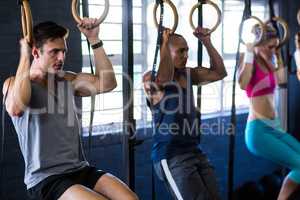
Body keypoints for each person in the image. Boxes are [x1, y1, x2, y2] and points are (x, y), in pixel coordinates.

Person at [2, 19, 138, 200]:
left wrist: (94, 40)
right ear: (36, 52)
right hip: (46, 178)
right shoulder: (14, 84)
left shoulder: (67, 80)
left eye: (63, 51)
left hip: (79, 168)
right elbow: (16, 108)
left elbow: (107, 83)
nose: (61, 58)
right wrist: (24, 57)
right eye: (54, 52)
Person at [143, 27, 227, 200]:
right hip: (171, 155)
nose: (186, 55)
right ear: (166, 51)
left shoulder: (189, 74)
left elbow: (220, 73)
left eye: (187, 50)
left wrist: (206, 41)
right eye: (180, 51)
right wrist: (164, 44)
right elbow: (164, 80)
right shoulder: (150, 79)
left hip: (195, 151)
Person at [238, 24, 300, 200]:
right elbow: (243, 83)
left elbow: (281, 80)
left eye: (275, 46)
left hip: (276, 128)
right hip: (258, 131)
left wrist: (277, 52)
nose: (273, 50)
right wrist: (249, 51)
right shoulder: (247, 60)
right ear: (256, 44)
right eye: (270, 47)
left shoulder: (268, 61)